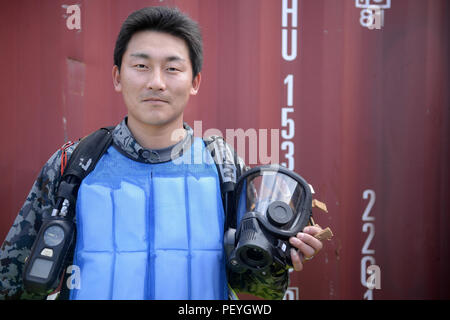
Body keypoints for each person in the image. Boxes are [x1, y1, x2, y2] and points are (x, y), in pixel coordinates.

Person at [0, 6, 324, 300]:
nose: (156, 82)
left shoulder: (222, 167)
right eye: (141, 66)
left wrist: (283, 261)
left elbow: (256, 286)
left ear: (194, 81)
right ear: (117, 77)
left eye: (172, 69)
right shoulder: (72, 165)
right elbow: (11, 284)